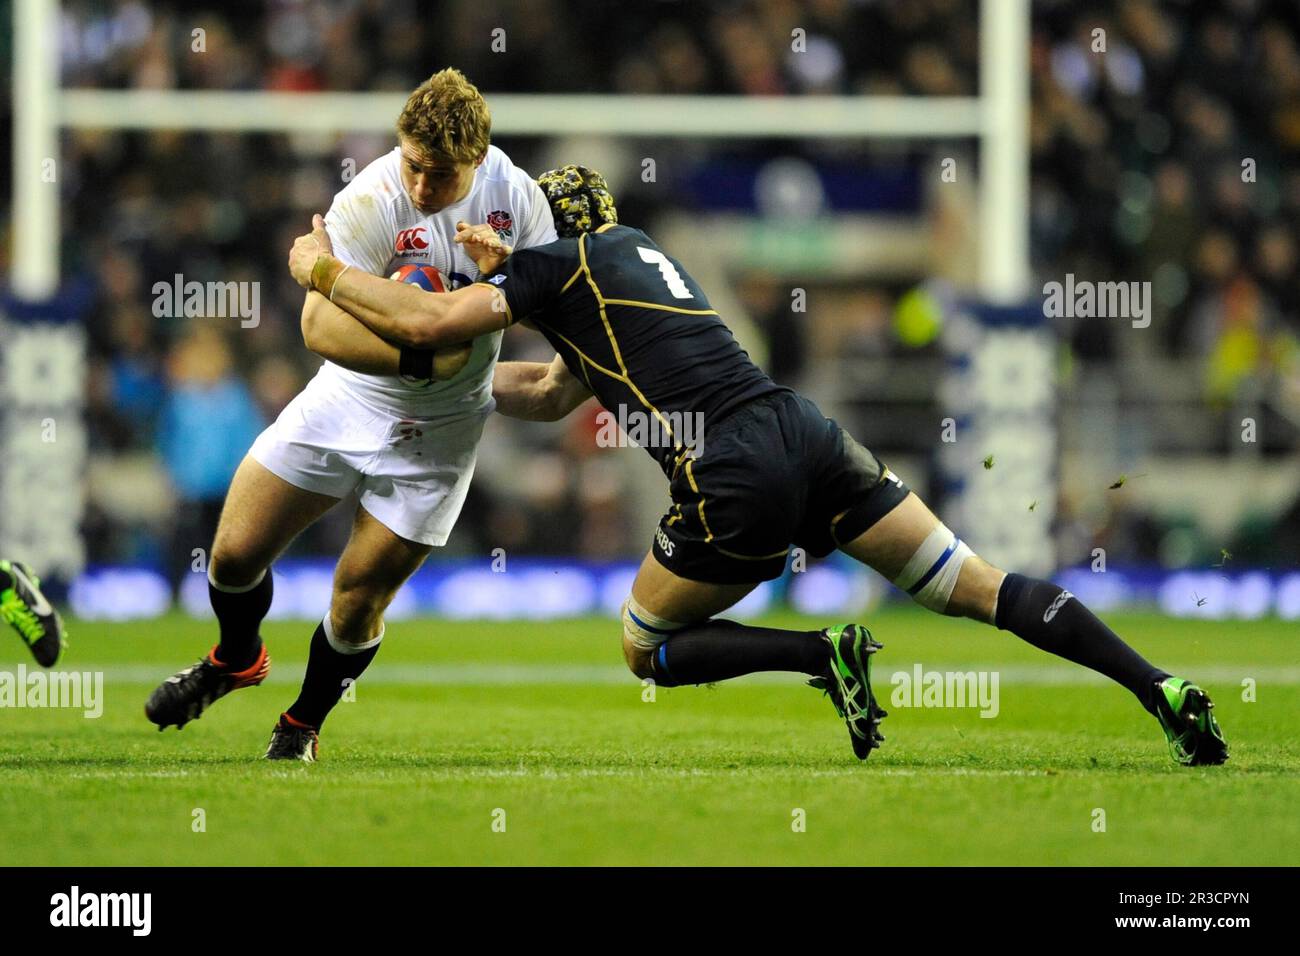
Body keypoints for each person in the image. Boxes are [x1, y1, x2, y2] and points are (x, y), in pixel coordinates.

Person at [286, 164, 1229, 767]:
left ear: (543, 227)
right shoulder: (636, 262)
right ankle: (1161, 688)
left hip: (730, 467)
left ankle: (822, 655)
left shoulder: (554, 265)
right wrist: (471, 394)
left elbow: (427, 321)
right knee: (974, 585)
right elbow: (547, 390)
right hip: (803, 430)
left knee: (642, 646)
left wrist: (324, 269)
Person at [144, 68, 557, 762]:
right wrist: (423, 355)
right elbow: (317, 327)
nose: (422, 188)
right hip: (346, 399)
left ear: (480, 161)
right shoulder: (371, 195)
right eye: (414, 165)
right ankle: (236, 657)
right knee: (233, 556)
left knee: (355, 602)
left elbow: (551, 310)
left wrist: (508, 274)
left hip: (441, 437)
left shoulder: (518, 201)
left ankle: (301, 725)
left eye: (441, 174)